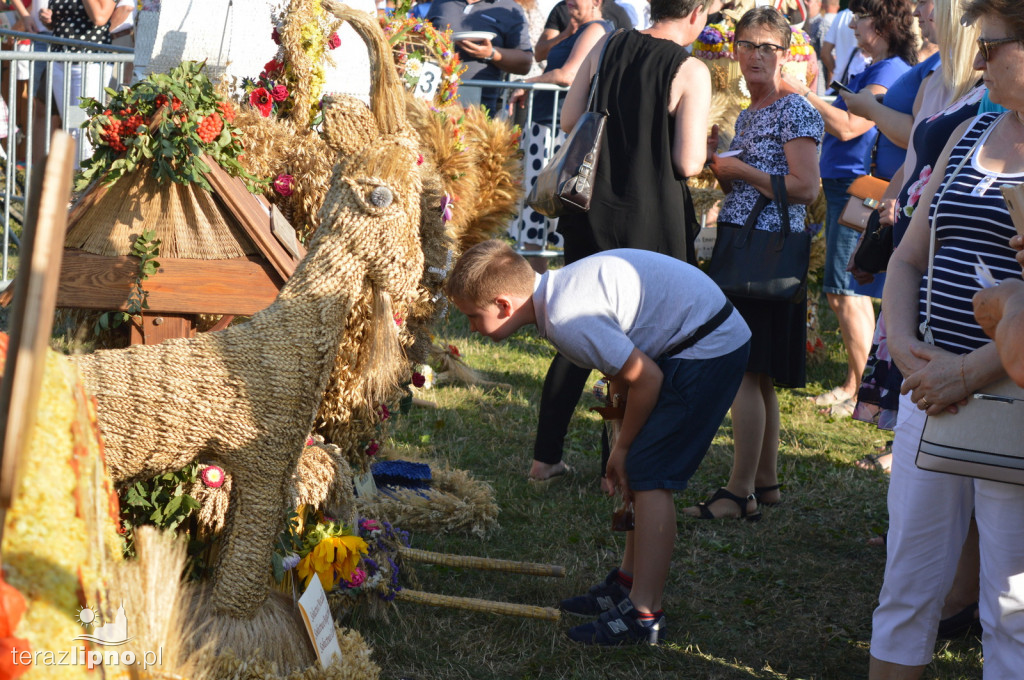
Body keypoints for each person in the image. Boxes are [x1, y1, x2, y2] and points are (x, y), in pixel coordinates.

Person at [446, 240, 750, 644]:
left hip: (708, 346)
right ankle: (628, 583)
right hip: (691, 336)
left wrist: (623, 450)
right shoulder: (558, 294)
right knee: (637, 468)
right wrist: (621, 435)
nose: (470, 327)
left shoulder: (567, 319)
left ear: (503, 304)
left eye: (472, 316)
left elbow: (646, 378)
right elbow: (621, 370)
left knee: (649, 474)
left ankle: (644, 615)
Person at [868, 0, 1024, 675]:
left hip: (1009, 407)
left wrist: (969, 373)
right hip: (928, 395)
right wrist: (903, 345)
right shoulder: (967, 134)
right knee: (905, 591)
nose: (979, 59)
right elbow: (907, 256)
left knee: (1011, 612)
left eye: (992, 45)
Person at [527, 0, 714, 485]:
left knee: (578, 331)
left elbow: (570, 119)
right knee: (649, 343)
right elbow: (689, 162)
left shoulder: (606, 43)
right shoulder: (690, 69)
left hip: (589, 212)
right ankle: (627, 466)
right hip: (652, 221)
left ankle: (545, 458)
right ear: (695, 13)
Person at [681, 6, 822, 519]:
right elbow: (744, 187)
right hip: (748, 249)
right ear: (734, 50)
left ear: (785, 54)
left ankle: (737, 494)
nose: (758, 55)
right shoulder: (752, 110)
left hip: (765, 257)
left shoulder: (793, 108)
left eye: (769, 47)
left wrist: (742, 167)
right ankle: (765, 484)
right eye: (749, 45)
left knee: (743, 370)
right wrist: (724, 164)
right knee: (757, 374)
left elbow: (807, 189)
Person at [788, 0, 916, 417]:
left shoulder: (890, 72)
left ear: (881, 25)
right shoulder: (873, 68)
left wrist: (801, 91)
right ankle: (856, 383)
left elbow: (849, 126)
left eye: (860, 17)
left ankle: (859, 388)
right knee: (843, 289)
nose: (853, 24)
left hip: (862, 186)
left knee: (847, 291)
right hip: (849, 184)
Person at [508, 0, 611, 266]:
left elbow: (567, 75)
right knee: (535, 208)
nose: (568, 2)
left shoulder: (595, 29)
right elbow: (541, 54)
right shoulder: (577, 29)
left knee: (542, 208)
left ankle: (541, 285)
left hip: (557, 131)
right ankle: (535, 284)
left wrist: (526, 83)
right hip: (545, 126)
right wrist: (566, 34)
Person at [426, 0, 533, 112]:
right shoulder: (440, 2)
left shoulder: (508, 8)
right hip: (430, 96)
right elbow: (422, 36)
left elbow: (525, 62)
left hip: (476, 107)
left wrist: (491, 53)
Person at [534, 0, 631, 62]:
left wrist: (526, 82)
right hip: (551, 92)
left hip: (577, 92)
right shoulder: (562, 8)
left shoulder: (618, 14)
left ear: (596, 2)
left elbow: (626, 55)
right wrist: (566, 34)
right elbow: (539, 54)